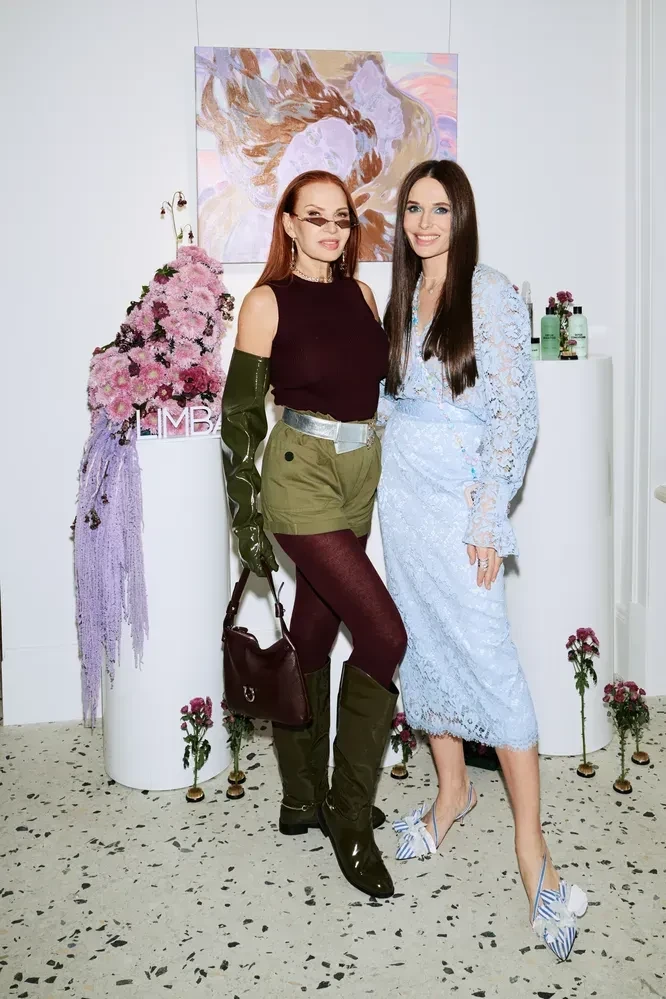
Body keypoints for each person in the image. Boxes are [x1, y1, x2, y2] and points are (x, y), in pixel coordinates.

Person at [378, 160, 588, 959]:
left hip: (461, 505)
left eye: (439, 208)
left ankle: (533, 852)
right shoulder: (403, 294)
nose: (424, 222)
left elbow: (516, 416)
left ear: (461, 217)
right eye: (413, 208)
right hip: (403, 503)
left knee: (490, 662)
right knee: (423, 650)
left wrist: (487, 517)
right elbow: (392, 399)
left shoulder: (489, 292)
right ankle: (452, 793)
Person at [221, 169, 406, 900]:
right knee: (385, 635)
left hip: (359, 471)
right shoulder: (266, 302)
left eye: (341, 219)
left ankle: (302, 797)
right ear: (290, 225)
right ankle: (348, 814)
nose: (330, 231)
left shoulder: (361, 295)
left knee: (315, 631)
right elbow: (240, 420)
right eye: (316, 218)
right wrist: (246, 518)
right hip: (300, 474)